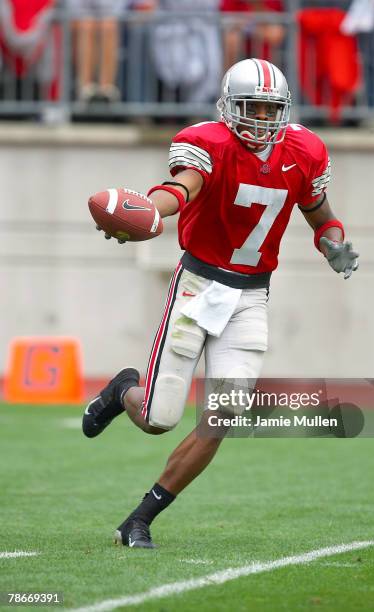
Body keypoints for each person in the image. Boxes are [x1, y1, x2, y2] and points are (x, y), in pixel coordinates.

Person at [83, 58, 359, 549]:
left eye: (270, 109)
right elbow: (183, 187)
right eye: (251, 107)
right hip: (198, 286)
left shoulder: (304, 151)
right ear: (229, 107)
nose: (260, 118)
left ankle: (139, 520)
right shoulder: (208, 142)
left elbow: (321, 215)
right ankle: (123, 389)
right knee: (157, 419)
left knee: (223, 417)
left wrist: (334, 241)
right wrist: (149, 209)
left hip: (252, 295)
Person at [66, 0, 127, 102]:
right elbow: (73, 12)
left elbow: (120, 11)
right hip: (82, 22)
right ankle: (86, 87)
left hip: (111, 22)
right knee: (87, 25)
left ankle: (107, 88)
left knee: (108, 26)